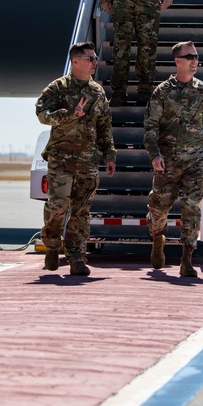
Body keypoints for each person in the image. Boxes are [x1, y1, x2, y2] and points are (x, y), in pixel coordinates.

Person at [35, 41, 117, 276]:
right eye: (90, 59)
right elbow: (42, 115)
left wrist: (109, 154)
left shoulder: (97, 92)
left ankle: (76, 257)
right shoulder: (57, 88)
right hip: (61, 159)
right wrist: (70, 114)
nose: (95, 62)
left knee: (81, 211)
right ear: (76, 62)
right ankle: (52, 246)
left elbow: (104, 125)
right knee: (58, 206)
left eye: (95, 58)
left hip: (87, 160)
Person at [143, 41, 203, 277]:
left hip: (195, 161)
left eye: (197, 56)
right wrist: (154, 154)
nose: (195, 60)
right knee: (158, 210)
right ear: (177, 61)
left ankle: (187, 259)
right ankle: (158, 238)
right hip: (167, 162)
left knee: (191, 209)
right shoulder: (162, 92)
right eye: (190, 57)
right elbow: (150, 126)